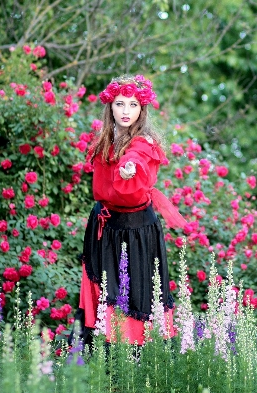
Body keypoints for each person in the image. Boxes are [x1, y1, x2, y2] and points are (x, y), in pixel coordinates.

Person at [72, 75, 186, 347]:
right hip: (104, 226)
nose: (126, 111)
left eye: (133, 105)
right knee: (104, 290)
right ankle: (98, 356)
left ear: (142, 110)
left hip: (136, 231)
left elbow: (135, 161)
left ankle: (136, 362)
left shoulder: (144, 143)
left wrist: (129, 170)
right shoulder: (104, 141)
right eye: (120, 104)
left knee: (136, 294)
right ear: (110, 107)